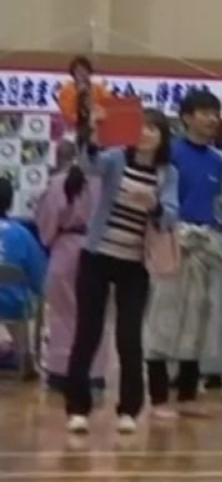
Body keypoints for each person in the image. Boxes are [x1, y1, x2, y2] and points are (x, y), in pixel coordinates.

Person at [64, 108, 180, 434]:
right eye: (140, 127)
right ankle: (77, 408)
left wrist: (153, 204)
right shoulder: (116, 158)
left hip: (135, 263)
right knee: (88, 331)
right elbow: (89, 165)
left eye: (153, 129)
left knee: (129, 337)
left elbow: (171, 215)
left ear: (163, 137)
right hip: (96, 256)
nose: (145, 134)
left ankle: (129, 410)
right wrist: (93, 130)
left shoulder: (167, 173)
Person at [146, 88, 222, 406]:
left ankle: (187, 390)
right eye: (205, 113)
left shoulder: (219, 161)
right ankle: (157, 388)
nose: (213, 119)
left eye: (215, 113)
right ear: (186, 118)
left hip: (204, 243)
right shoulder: (169, 153)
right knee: (164, 312)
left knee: (199, 315)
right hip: (172, 240)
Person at [35, 144, 108, 392]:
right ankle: (94, 373)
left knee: (64, 314)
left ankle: (61, 371)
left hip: (66, 248)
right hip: (100, 248)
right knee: (96, 314)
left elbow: (46, 222)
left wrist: (51, 239)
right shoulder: (108, 182)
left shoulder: (59, 183)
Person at [0, 179, 48, 378]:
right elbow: (40, 281)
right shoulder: (22, 235)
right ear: (10, 203)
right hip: (15, 305)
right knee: (37, 299)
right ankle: (28, 357)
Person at [54, 55, 110, 147]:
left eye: (84, 71)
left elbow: (108, 106)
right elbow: (67, 113)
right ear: (73, 74)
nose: (82, 74)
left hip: (97, 129)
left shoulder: (99, 89)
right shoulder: (66, 91)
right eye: (78, 71)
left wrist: (95, 117)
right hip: (74, 130)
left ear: (89, 72)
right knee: (65, 147)